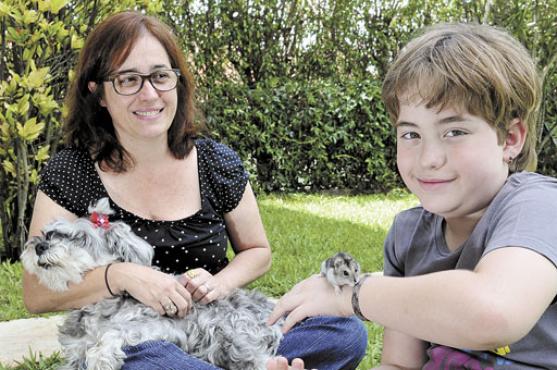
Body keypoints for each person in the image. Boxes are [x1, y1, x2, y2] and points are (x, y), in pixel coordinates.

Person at [22, 11, 367, 370]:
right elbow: (36, 293)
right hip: (139, 340)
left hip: (220, 331)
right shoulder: (74, 171)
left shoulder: (217, 163)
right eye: (128, 80)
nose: (149, 93)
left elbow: (258, 251)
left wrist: (219, 283)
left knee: (345, 331)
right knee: (142, 361)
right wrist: (123, 276)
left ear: (177, 82)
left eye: (159, 76)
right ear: (99, 93)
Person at [267, 22, 557, 370]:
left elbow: (495, 311)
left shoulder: (538, 205)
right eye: (411, 135)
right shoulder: (407, 235)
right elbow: (399, 364)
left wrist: (353, 294)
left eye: (455, 131)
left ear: (510, 139)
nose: (429, 158)